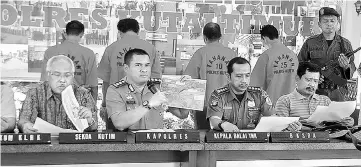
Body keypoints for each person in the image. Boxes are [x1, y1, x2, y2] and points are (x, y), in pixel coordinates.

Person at [106, 49, 188, 131]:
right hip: (130, 142)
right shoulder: (115, 90)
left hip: (156, 141)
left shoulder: (159, 87)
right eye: (138, 65)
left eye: (147, 65)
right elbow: (119, 123)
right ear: (126, 68)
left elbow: (182, 114)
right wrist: (149, 104)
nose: (144, 70)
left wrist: (186, 88)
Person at [98, 18, 161, 121]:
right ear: (138, 31)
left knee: (117, 136)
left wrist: (105, 104)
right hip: (145, 106)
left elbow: (106, 81)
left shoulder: (111, 48)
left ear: (120, 32)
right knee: (142, 136)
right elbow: (157, 80)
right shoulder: (150, 48)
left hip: (118, 104)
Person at [19, 55, 98, 133]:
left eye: (67, 75)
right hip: (44, 144)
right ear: (48, 75)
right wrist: (25, 126)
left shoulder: (83, 94)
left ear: (73, 76)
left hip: (74, 144)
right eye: (57, 75)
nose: (62, 80)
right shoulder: (35, 93)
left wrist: (89, 121)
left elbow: (94, 127)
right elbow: (23, 120)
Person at [184, 22, 237, 129]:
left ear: (204, 37)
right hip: (229, 105)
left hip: (205, 106)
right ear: (220, 37)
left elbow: (188, 80)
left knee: (204, 139)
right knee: (229, 138)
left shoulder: (200, 53)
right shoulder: (231, 54)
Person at [298, 7, 356, 101]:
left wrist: (346, 67)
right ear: (319, 24)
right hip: (315, 92)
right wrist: (312, 75)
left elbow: (352, 69)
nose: (329, 24)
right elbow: (300, 64)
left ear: (338, 24)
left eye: (332, 21)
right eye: (325, 21)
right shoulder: (310, 43)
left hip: (338, 93)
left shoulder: (345, 44)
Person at [275, 62, 354, 131]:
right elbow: (278, 129)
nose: (312, 85)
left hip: (324, 144)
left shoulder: (325, 100)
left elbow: (334, 126)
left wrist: (347, 122)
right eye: (308, 80)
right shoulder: (285, 101)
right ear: (297, 78)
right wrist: (290, 128)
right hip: (296, 144)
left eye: (315, 81)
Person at [207, 57, 274, 132]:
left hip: (254, 140)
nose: (244, 80)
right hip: (226, 141)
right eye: (239, 76)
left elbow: (272, 118)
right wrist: (223, 124)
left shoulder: (259, 95)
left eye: (247, 75)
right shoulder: (218, 96)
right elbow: (214, 121)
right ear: (228, 77)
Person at [40, 20, 98, 100]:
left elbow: (44, 81)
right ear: (81, 34)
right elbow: (93, 85)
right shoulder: (88, 54)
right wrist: (93, 107)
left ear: (66, 33)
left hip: (53, 100)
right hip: (78, 101)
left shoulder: (50, 51)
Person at [250, 24, 299, 105]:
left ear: (264, 39)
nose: (263, 44)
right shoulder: (293, 55)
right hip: (292, 104)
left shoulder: (266, 56)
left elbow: (255, 85)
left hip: (272, 105)